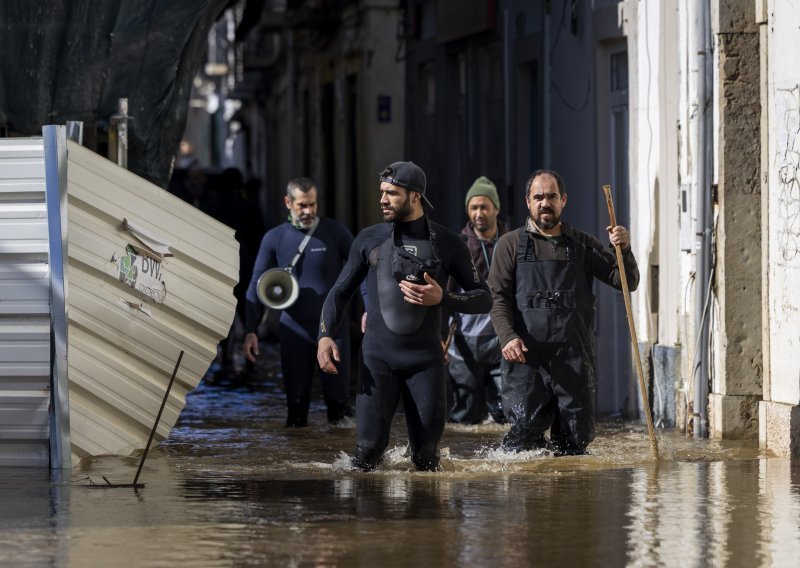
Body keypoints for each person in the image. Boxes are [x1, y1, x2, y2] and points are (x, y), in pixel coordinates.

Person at [317, 161, 492, 472]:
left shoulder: (449, 242)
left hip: (425, 361)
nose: (383, 199)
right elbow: (339, 292)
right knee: (367, 454)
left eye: (392, 193)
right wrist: (325, 335)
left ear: (415, 196)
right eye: (382, 192)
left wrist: (445, 298)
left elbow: (484, 298)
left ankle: (423, 521)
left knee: (426, 457)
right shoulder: (369, 239)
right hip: (377, 358)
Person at [488, 169, 639, 455]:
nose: (546, 203)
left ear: (564, 200)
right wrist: (507, 337)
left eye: (552, 196)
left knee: (574, 444)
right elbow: (498, 298)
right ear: (528, 202)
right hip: (525, 360)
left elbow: (626, 281)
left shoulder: (583, 245)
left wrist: (625, 249)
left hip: (573, 360)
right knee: (523, 442)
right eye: (539, 197)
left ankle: (570, 499)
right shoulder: (509, 245)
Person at [244, 177, 354, 427]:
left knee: (340, 411)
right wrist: (250, 330)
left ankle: (346, 465)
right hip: (294, 330)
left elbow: (364, 269)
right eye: (302, 205)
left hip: (333, 329)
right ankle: (299, 464)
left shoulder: (335, 233)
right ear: (288, 202)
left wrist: (370, 309)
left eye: (312, 205)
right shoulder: (274, 238)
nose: (308, 211)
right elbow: (255, 285)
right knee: (295, 410)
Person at [446, 176, 509, 424]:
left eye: (484, 206)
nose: (479, 213)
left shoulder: (512, 242)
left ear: (496, 208)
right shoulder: (458, 246)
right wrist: (440, 337)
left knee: (506, 413)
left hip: (501, 341)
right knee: (465, 416)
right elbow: (444, 294)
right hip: (464, 343)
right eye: (474, 207)